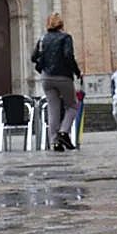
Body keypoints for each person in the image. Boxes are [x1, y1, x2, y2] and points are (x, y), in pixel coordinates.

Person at [35, 13, 82, 151]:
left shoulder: (42, 38)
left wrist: (43, 65)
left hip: (46, 78)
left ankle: (54, 142)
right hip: (63, 77)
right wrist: (77, 72)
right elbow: (68, 55)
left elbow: (34, 57)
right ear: (61, 24)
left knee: (53, 109)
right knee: (72, 106)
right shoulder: (65, 37)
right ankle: (63, 131)